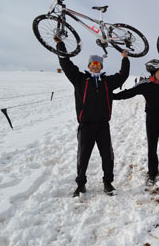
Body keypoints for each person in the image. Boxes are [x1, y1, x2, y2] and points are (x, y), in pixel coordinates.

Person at [55, 38, 130, 197]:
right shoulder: (80, 79)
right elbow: (66, 65)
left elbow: (123, 75)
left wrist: (125, 58)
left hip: (103, 124)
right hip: (86, 124)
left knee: (107, 155)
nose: (95, 67)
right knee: (83, 156)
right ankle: (80, 185)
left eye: (98, 65)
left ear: (101, 67)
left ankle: (108, 183)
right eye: (92, 65)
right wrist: (60, 45)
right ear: (89, 66)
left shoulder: (107, 82)